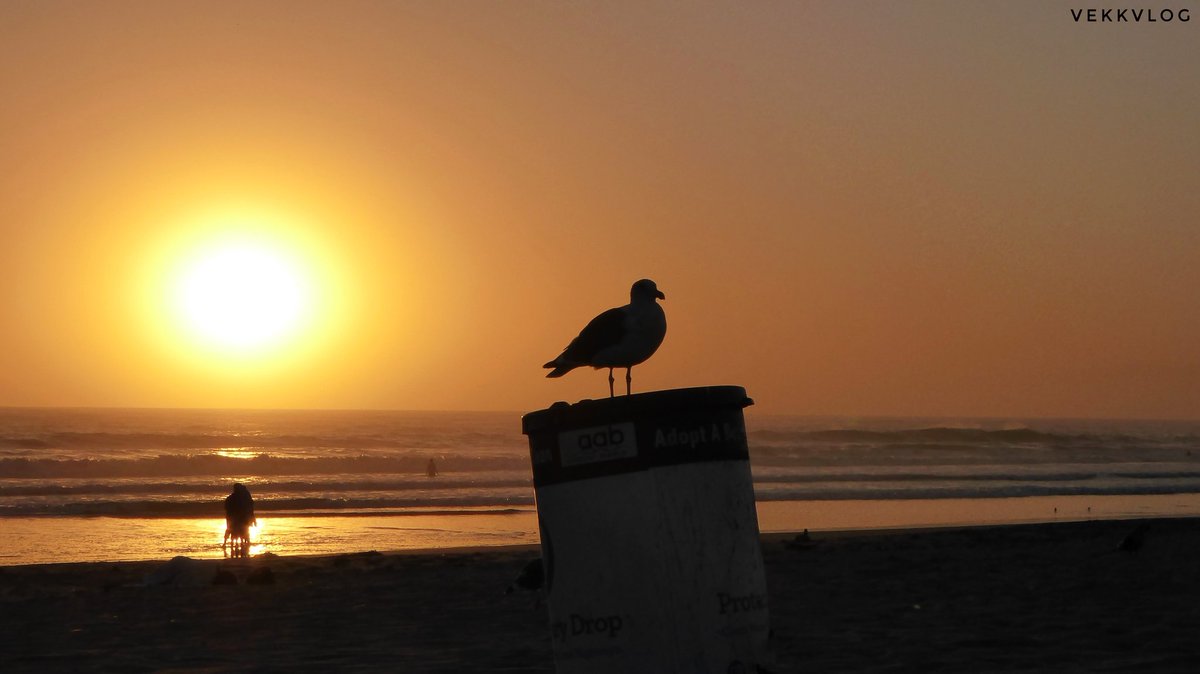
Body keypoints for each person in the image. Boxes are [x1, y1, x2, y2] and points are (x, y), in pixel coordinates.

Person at [223, 483, 257, 558]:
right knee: (242, 529)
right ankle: (244, 542)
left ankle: (227, 543)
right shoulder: (244, 496)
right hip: (240, 517)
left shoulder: (232, 498)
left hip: (235, 517)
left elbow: (250, 507)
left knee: (231, 529)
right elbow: (250, 508)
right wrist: (253, 518)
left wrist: (252, 518)